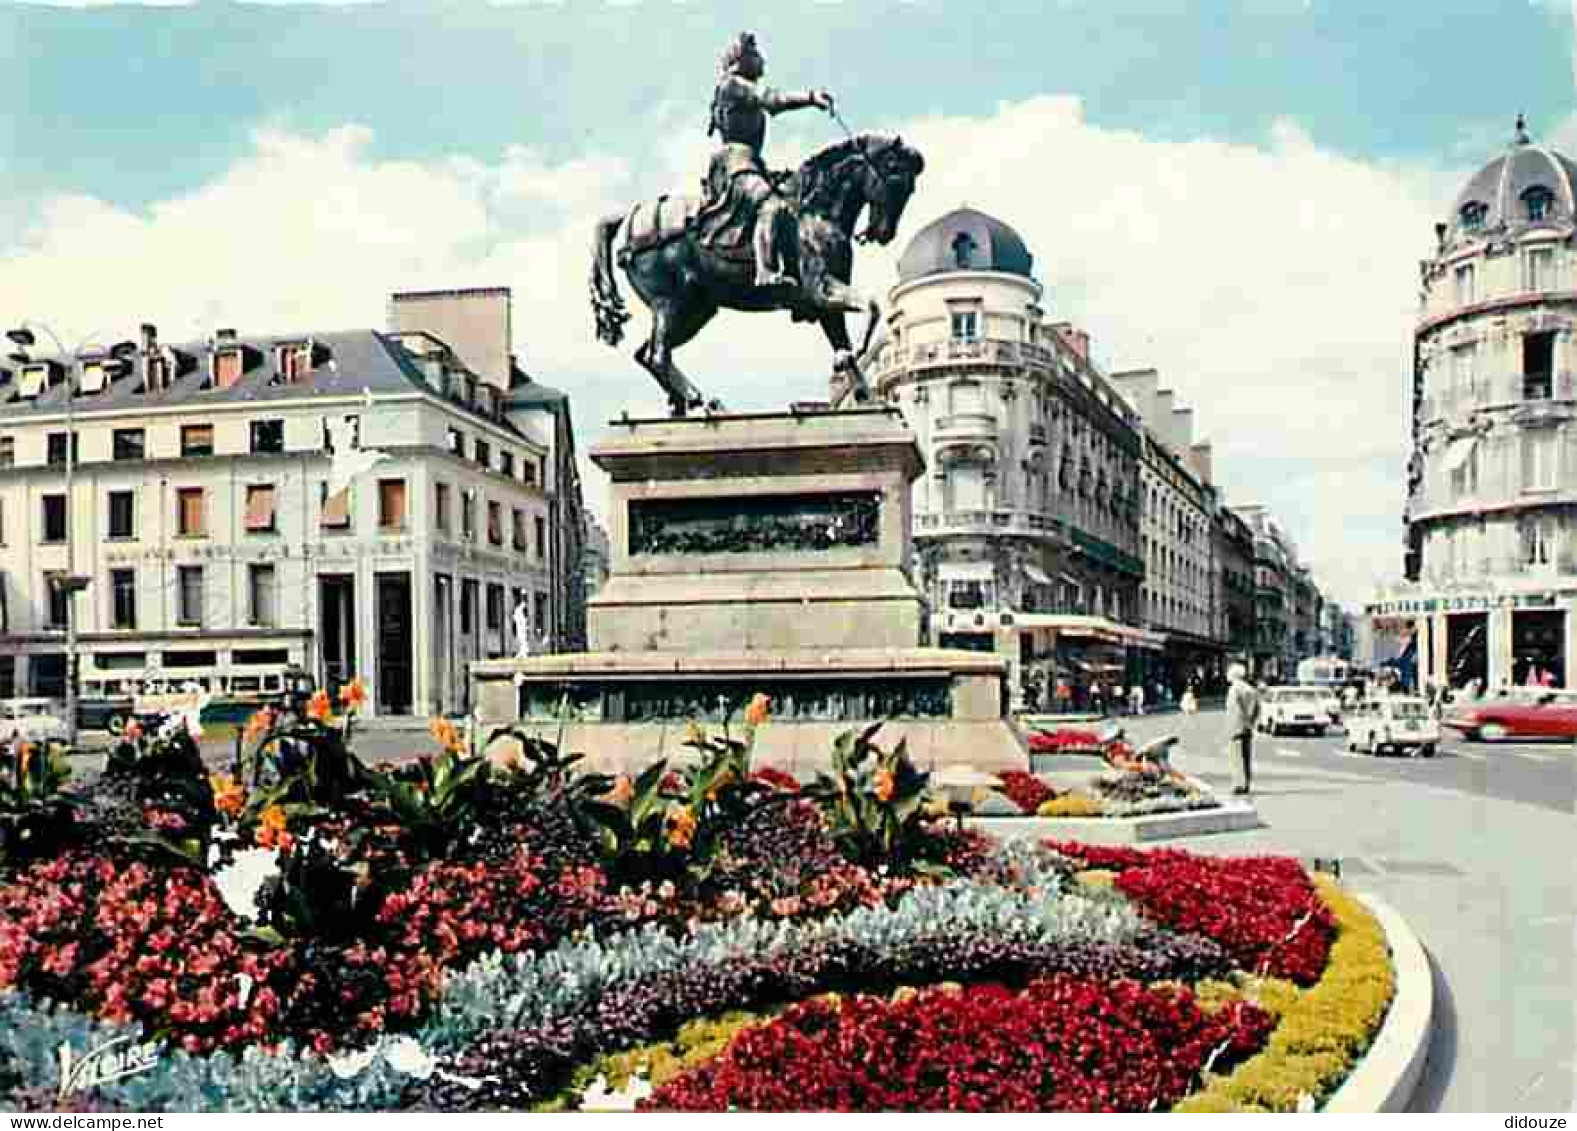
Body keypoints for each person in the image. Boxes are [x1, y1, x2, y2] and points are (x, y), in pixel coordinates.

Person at [703, 32, 835, 289]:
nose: (762, 60)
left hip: (752, 163)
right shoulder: (734, 85)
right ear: (742, 60)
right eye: (756, 55)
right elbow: (773, 100)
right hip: (736, 164)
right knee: (772, 206)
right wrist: (810, 97)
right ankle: (765, 270)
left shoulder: (739, 86)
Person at [1225, 663, 1261, 797]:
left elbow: (1235, 711)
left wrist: (1236, 725)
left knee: (1236, 757)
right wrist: (1250, 722)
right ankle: (1246, 783)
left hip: (1236, 728)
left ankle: (1239, 784)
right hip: (1247, 728)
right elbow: (1257, 708)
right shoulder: (1250, 690)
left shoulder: (1235, 689)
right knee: (1246, 757)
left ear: (1233, 675)